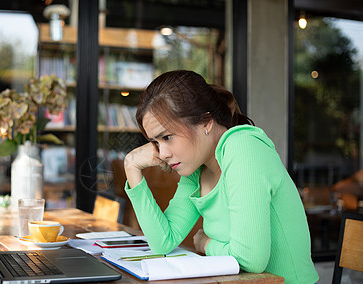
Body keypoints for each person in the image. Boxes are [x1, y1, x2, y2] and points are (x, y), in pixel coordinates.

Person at [123, 70, 319, 283]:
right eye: (156, 143)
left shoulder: (242, 147)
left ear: (206, 122)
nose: (162, 154)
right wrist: (131, 167)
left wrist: (206, 244)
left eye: (167, 137)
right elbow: (163, 241)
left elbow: (251, 260)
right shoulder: (196, 170)